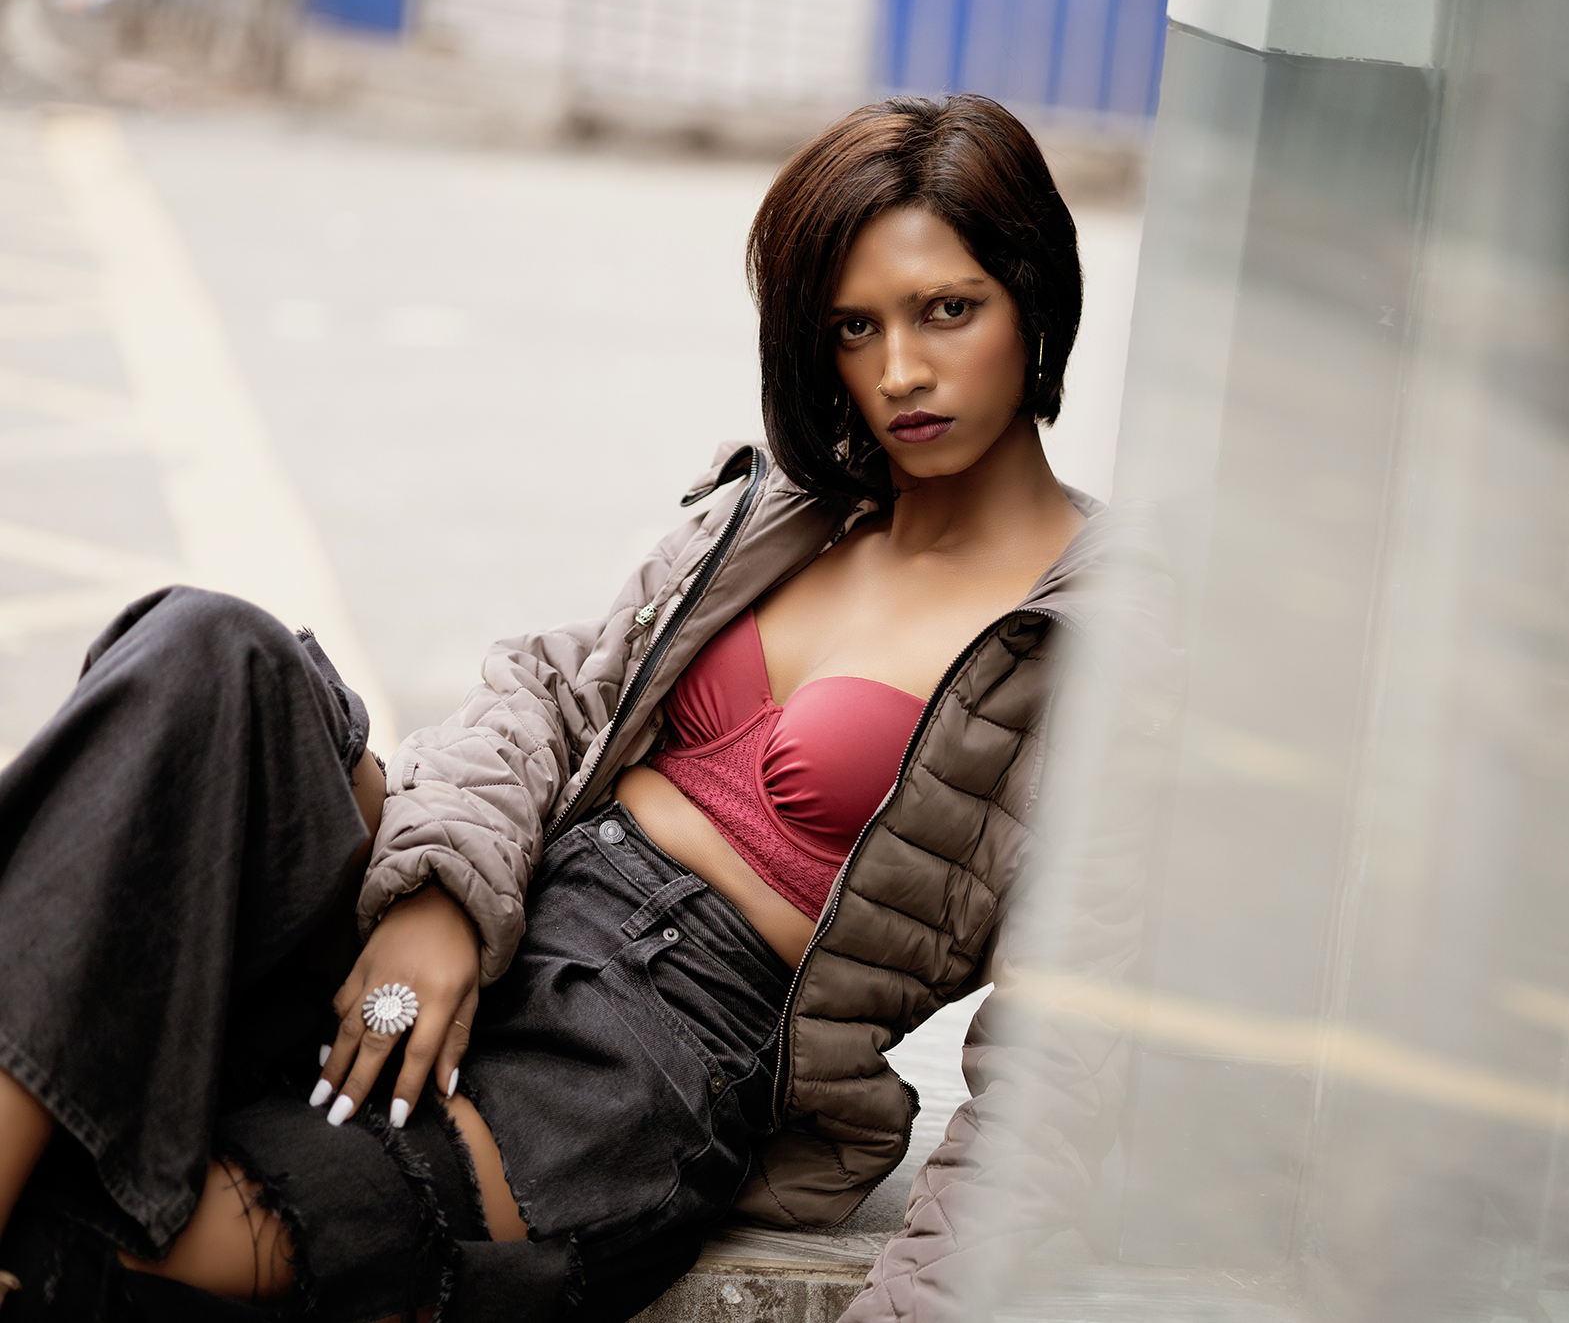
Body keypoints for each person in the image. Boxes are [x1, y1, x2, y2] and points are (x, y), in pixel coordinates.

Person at [0, 93, 1106, 1322]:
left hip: (642, 1058)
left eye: (947, 310)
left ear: (1033, 300)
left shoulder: (1097, 638)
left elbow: (1056, 1074)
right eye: (856, 326)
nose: (899, 371)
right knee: (208, 651)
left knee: (104, 1247)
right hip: (506, 897)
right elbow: (545, 694)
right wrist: (438, 897)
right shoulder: (787, 513)